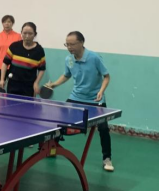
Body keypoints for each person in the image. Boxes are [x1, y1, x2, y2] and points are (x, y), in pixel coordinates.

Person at [45, 31, 114, 172]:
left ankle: (107, 158)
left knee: (103, 128)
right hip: (76, 97)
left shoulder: (94, 57)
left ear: (82, 43)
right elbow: (66, 75)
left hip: (95, 99)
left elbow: (106, 76)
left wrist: (101, 91)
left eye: (72, 44)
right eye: (67, 44)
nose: (69, 47)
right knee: (59, 121)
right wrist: (54, 84)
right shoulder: (69, 59)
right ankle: (52, 148)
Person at [0, 22, 46, 97]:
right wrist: (2, 79)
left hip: (29, 86)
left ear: (35, 34)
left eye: (30, 33)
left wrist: (36, 83)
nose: (27, 36)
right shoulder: (14, 46)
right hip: (13, 84)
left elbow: (42, 69)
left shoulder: (39, 50)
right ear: (21, 33)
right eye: (24, 33)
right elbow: (5, 63)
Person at [0, 15, 21, 87]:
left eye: (9, 22)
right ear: (2, 23)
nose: (7, 24)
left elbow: (20, 53)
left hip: (13, 67)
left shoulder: (18, 36)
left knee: (13, 88)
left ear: (12, 23)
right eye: (4, 22)